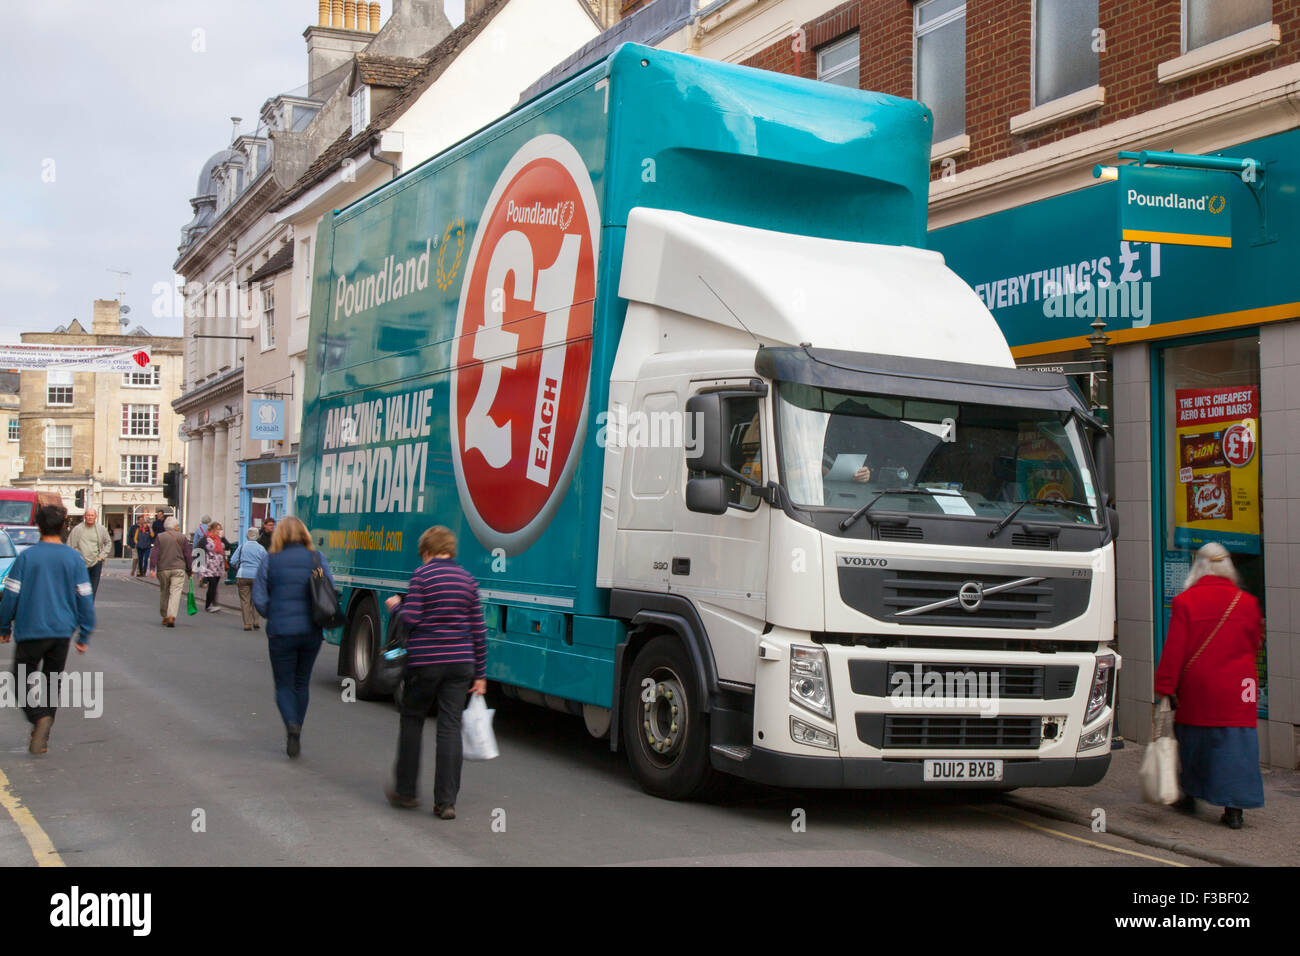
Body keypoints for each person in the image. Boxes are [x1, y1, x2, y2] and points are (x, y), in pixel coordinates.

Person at [1154, 542, 1265, 830]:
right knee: (1237, 746)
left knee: (1193, 742)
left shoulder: (1186, 601)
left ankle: (1190, 795)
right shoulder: (1247, 602)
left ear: (1199, 567)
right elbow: (1255, 643)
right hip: (1240, 687)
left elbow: (1175, 650)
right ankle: (1235, 810)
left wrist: (1165, 685)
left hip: (1200, 687)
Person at [383, 526, 487, 819]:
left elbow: (412, 618)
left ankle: (405, 792)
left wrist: (395, 607)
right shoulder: (468, 580)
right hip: (460, 664)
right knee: (450, 727)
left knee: (413, 719)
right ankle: (446, 802)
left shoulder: (422, 575)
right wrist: (480, 674)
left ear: (426, 551)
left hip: (426, 662)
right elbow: (479, 631)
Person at [0, 505, 94, 754]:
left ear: (39, 527)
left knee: (20, 681)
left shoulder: (26, 557)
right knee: (53, 682)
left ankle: (38, 718)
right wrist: (84, 633)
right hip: (61, 632)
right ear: (64, 528)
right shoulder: (74, 558)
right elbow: (85, 596)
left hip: (31, 630)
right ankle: (44, 730)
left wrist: (4, 626)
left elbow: (11, 594)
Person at [252, 516, 334, 759]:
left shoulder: (270, 560)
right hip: (311, 631)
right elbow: (329, 589)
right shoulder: (317, 559)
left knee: (284, 684)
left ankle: (291, 724)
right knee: (301, 681)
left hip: (281, 631)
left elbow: (259, 598)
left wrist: (273, 613)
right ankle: (297, 725)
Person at [149, 516, 192, 627]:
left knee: (164, 591)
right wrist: (189, 570)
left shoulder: (160, 537)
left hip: (163, 569)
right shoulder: (182, 537)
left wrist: (152, 568)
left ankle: (165, 616)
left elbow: (155, 553)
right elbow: (188, 555)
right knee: (175, 592)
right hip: (179, 568)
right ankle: (171, 615)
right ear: (175, 527)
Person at [67, 508, 112, 600]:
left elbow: (108, 543)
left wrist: (101, 557)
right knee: (80, 590)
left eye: (92, 515)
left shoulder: (101, 529)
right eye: (88, 515)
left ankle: (89, 609)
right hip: (81, 564)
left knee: (92, 590)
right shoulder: (77, 529)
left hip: (96, 563)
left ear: (96, 517)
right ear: (84, 517)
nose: (90, 517)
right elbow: (70, 545)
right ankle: (81, 609)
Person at [230, 527, 267, 631]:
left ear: (247, 535)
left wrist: (239, 566)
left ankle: (247, 623)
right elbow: (266, 562)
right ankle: (256, 621)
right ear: (258, 536)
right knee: (256, 599)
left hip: (242, 575)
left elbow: (232, 561)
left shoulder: (242, 547)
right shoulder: (261, 548)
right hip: (257, 576)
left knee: (245, 600)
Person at [197, 522, 226, 612]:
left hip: (218, 567)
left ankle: (213, 603)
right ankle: (208, 605)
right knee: (212, 585)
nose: (219, 531)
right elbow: (199, 551)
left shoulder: (219, 539)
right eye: (218, 529)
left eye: (220, 529)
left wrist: (223, 538)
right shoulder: (205, 539)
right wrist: (199, 567)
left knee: (214, 585)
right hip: (208, 566)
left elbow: (227, 546)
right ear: (213, 529)